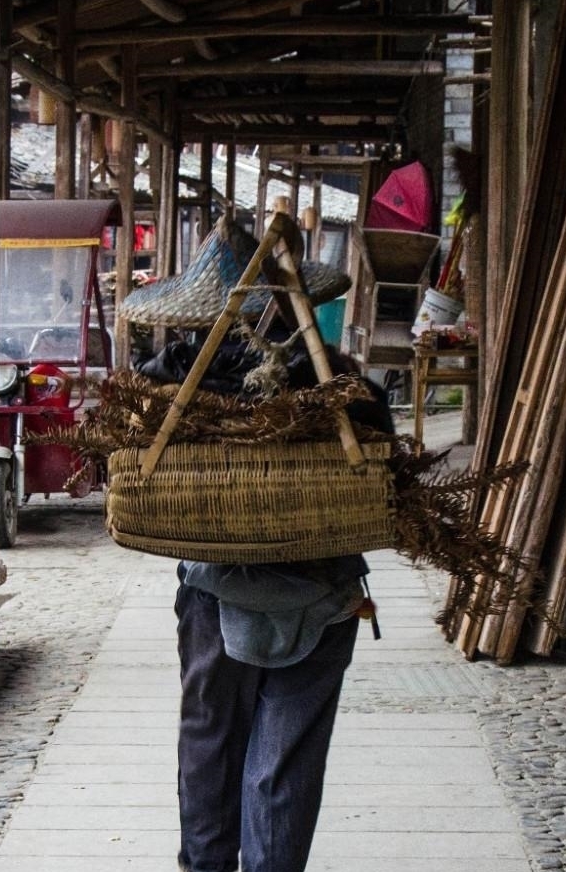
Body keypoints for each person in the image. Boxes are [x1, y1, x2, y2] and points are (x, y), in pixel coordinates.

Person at [172, 349, 389, 872]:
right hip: (327, 591)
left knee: (211, 745)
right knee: (285, 764)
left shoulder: (201, 380)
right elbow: (387, 475)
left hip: (217, 585)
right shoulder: (346, 385)